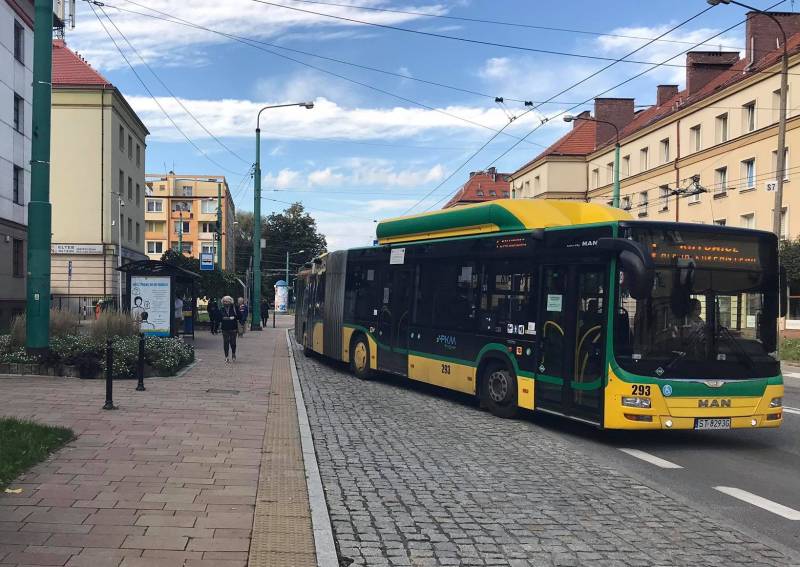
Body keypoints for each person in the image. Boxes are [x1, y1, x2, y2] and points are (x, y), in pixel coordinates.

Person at [220, 296, 239, 362]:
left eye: (227, 301)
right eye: (224, 301)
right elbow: (220, 317)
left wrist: (234, 317)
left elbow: (239, 316)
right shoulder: (222, 308)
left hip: (233, 327)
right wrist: (227, 318)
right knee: (226, 342)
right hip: (225, 328)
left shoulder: (234, 308)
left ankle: (233, 354)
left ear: (230, 301)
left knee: (233, 342)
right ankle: (226, 356)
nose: (225, 303)